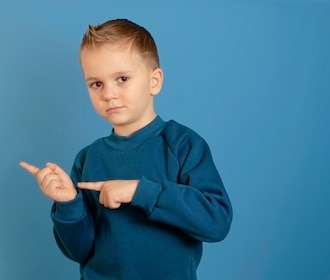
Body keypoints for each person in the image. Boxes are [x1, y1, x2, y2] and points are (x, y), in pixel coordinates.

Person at [19, 18, 233, 280]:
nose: (108, 93)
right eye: (96, 84)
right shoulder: (88, 159)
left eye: (122, 78)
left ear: (154, 81)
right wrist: (68, 204)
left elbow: (216, 222)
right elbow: (78, 250)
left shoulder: (183, 145)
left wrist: (138, 191)